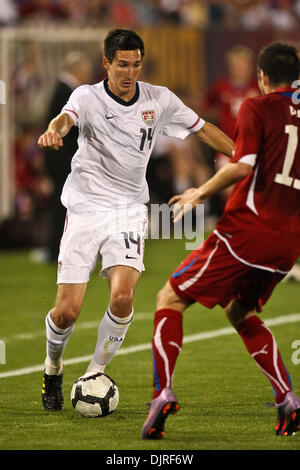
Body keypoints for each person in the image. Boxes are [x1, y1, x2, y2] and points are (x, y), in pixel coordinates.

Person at [37, 29, 234, 411]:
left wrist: (246, 156)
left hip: (128, 209)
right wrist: (53, 130)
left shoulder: (158, 99)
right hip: (85, 207)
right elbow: (65, 119)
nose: (129, 73)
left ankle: (95, 371)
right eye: (122, 64)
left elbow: (203, 129)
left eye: (136, 65)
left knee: (124, 297)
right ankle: (53, 367)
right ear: (106, 64)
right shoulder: (86, 96)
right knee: (67, 312)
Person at [141, 41, 300, 440]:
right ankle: (287, 399)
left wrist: (199, 192)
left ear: (261, 77)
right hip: (287, 243)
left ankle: (162, 394)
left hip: (245, 232)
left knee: (170, 297)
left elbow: (242, 166)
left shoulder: (256, 106)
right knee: (239, 313)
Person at [44, 51, 93, 262]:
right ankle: (60, 250)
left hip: (59, 159)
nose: (89, 73)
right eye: (86, 69)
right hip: (64, 160)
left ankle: (61, 249)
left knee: (64, 204)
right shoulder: (67, 92)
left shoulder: (61, 89)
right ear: (78, 69)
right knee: (64, 205)